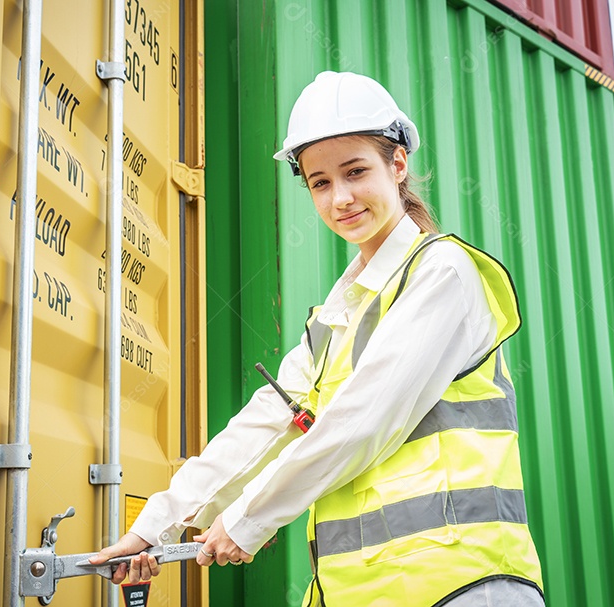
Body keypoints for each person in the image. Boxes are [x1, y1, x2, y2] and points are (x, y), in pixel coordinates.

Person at [89, 71, 546, 606]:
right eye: (320, 183)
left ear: (398, 164)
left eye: (356, 172)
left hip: (462, 583)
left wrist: (248, 519)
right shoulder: (340, 310)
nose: (340, 199)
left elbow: (363, 419)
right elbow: (268, 420)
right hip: (362, 590)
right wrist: (156, 526)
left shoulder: (442, 273)